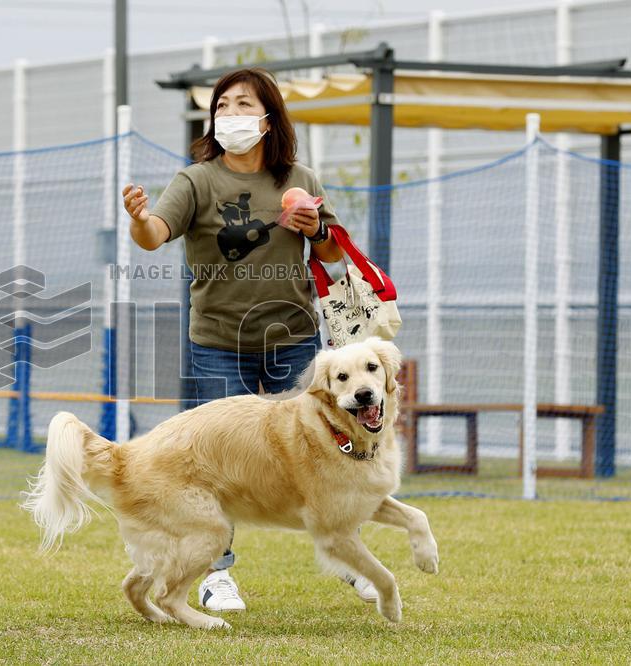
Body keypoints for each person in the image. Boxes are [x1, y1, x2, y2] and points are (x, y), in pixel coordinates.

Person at [121, 67, 377, 612]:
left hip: (296, 340)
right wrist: (139, 219)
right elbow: (153, 237)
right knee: (210, 462)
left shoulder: (299, 177)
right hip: (216, 342)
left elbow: (332, 253)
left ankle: (350, 559)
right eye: (223, 106)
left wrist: (317, 229)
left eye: (244, 104)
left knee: (334, 450)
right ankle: (217, 574)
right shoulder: (195, 181)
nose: (232, 115)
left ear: (268, 116)